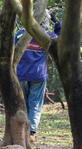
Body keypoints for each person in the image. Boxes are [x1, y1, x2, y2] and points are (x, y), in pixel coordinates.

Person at [15, 8, 60, 140]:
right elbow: (61, 39)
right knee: (34, 104)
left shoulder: (20, 34)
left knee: (23, 103)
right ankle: (31, 132)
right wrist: (57, 23)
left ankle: (23, 129)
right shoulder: (47, 36)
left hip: (21, 74)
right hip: (38, 75)